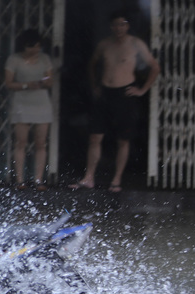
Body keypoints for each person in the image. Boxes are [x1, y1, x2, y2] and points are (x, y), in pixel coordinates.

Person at [69, 9, 160, 192]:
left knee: (123, 140)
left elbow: (154, 67)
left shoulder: (136, 44)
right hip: (105, 93)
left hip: (124, 94)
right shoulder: (104, 44)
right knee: (95, 136)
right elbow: (92, 63)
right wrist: (94, 85)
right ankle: (89, 177)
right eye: (116, 25)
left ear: (128, 26)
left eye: (123, 24)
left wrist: (142, 90)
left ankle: (116, 180)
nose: (119, 28)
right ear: (111, 26)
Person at [4, 29, 54, 191]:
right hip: (22, 103)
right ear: (24, 46)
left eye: (38, 47)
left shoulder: (45, 59)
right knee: (21, 142)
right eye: (31, 47)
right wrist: (26, 85)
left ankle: (39, 179)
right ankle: (20, 180)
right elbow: (9, 83)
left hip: (41, 103)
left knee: (41, 142)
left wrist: (44, 82)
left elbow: (50, 80)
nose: (35, 50)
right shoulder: (14, 60)